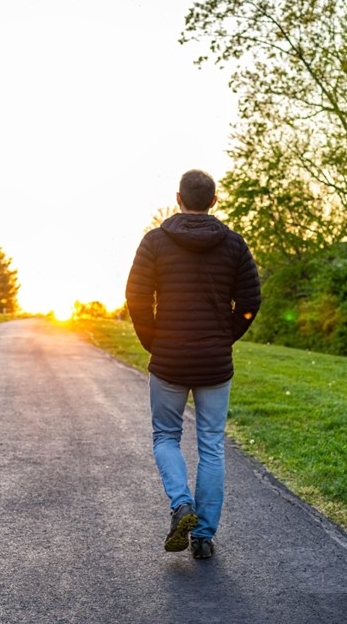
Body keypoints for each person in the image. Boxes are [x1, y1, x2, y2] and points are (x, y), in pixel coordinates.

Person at [125, 169, 262, 559]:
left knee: (166, 436)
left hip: (169, 358)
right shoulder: (234, 244)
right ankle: (202, 536)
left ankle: (181, 504)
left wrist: (153, 340)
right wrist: (225, 336)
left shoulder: (155, 241)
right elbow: (250, 303)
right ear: (214, 201)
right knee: (211, 445)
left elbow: (136, 297)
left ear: (178, 199)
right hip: (214, 363)